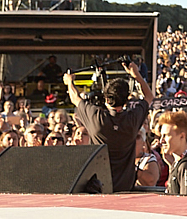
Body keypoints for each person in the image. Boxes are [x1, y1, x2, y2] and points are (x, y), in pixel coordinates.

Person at [64, 61, 154, 192]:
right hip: (125, 189)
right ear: (127, 99)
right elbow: (149, 96)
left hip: (98, 188)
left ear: (106, 99)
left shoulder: (96, 116)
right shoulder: (132, 120)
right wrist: (136, 75)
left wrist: (69, 82)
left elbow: (75, 98)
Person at [158, 110, 187, 195]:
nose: (161, 141)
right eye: (161, 136)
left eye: (166, 135)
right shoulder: (177, 163)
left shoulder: (186, 165)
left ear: (182, 136)